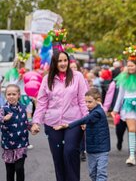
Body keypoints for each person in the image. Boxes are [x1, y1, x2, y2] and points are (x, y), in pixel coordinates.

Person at [31, 50, 88, 181]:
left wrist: (86, 119)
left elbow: (82, 100)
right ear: (54, 63)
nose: (63, 63)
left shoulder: (77, 76)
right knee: (58, 157)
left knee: (69, 152)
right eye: (59, 61)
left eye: (65, 60)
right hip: (52, 123)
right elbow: (42, 103)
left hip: (73, 122)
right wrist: (36, 122)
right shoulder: (47, 79)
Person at [54, 88, 110, 181]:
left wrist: (68, 125)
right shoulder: (91, 111)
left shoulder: (98, 112)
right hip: (92, 149)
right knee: (93, 173)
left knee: (101, 174)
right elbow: (88, 120)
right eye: (86, 102)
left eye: (90, 102)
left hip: (102, 149)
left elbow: (85, 119)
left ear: (98, 100)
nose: (87, 104)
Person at [111, 47, 136, 166]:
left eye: (132, 65)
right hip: (128, 106)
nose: (130, 68)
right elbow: (120, 95)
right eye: (128, 66)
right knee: (132, 130)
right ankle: (132, 155)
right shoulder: (124, 78)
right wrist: (115, 110)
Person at [0, 84, 31, 181]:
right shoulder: (3, 109)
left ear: (19, 95)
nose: (11, 96)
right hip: (8, 144)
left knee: (19, 168)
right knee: (10, 170)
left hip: (21, 143)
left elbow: (27, 122)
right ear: (6, 96)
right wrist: (3, 119)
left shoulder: (23, 108)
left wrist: (32, 127)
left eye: (14, 94)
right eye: (9, 94)